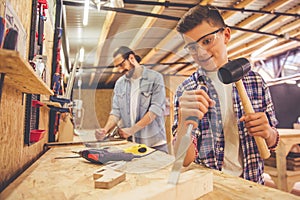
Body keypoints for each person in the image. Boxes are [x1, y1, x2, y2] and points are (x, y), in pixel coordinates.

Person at [172, 5, 279, 184]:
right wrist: (184, 125)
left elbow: (273, 141)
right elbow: (183, 160)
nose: (201, 53)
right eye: (192, 47)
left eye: (207, 41)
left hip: (251, 184)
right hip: (209, 186)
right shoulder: (186, 90)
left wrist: (268, 132)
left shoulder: (256, 82)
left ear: (226, 35)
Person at [95, 46, 168, 153]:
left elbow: (155, 110)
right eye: (117, 66)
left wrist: (131, 130)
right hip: (132, 145)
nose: (120, 69)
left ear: (131, 58)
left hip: (155, 145)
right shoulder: (120, 83)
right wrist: (105, 130)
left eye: (121, 64)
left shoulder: (155, 78)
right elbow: (116, 112)